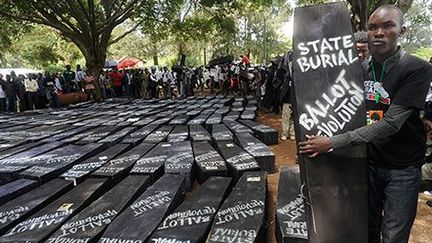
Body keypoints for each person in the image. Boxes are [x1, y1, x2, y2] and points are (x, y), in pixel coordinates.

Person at [298, 5, 432, 243]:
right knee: (366, 228)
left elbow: (391, 124)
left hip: (402, 168)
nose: (379, 32)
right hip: (367, 164)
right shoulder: (359, 69)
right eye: (373, 27)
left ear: (402, 30)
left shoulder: (417, 69)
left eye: (387, 25)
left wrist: (331, 142)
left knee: (392, 235)